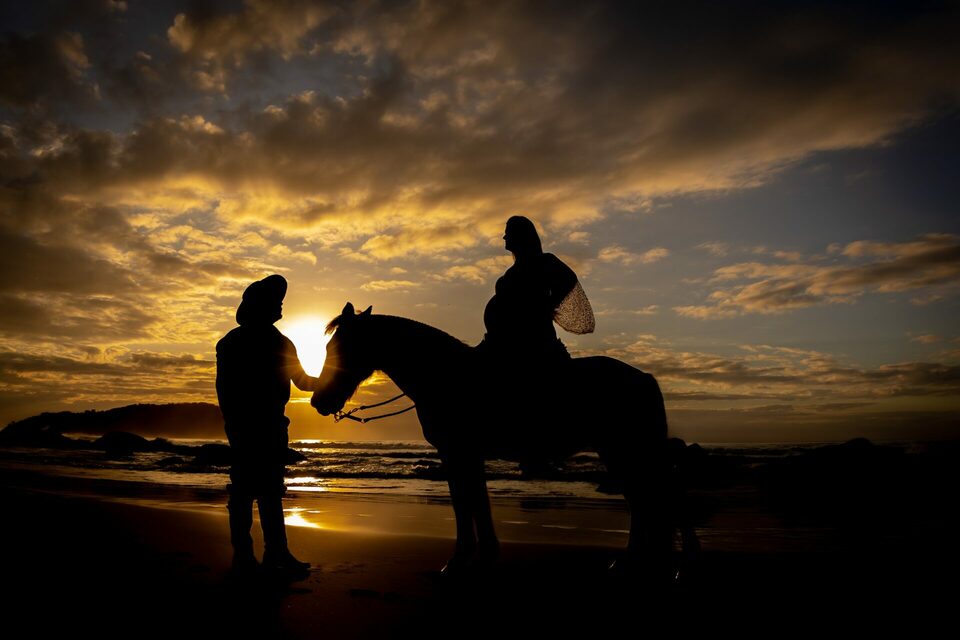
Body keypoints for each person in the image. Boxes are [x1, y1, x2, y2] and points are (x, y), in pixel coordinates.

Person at [215, 274, 319, 577]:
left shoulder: (234, 342)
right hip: (258, 426)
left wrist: (332, 384)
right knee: (258, 490)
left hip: (257, 426)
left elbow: (299, 381)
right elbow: (303, 382)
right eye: (277, 302)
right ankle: (262, 554)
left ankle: (257, 555)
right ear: (264, 306)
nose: (281, 308)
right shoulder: (271, 342)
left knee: (257, 490)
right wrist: (327, 385)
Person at [481, 215, 594, 364]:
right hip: (501, 341)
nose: (504, 237)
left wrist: (548, 304)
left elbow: (569, 278)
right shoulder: (511, 272)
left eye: (508, 233)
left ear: (520, 236)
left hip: (534, 342)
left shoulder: (544, 261)